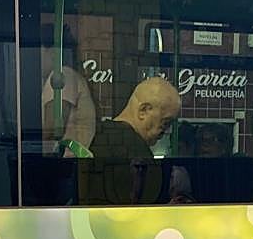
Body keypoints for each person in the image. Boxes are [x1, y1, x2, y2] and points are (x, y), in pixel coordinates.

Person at [75, 76, 179, 204]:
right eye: (165, 122)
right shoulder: (138, 153)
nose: (166, 130)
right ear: (144, 110)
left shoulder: (96, 136)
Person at [42, 26, 97, 155]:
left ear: (53, 53)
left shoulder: (62, 75)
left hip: (67, 162)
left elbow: (52, 128)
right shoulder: (71, 75)